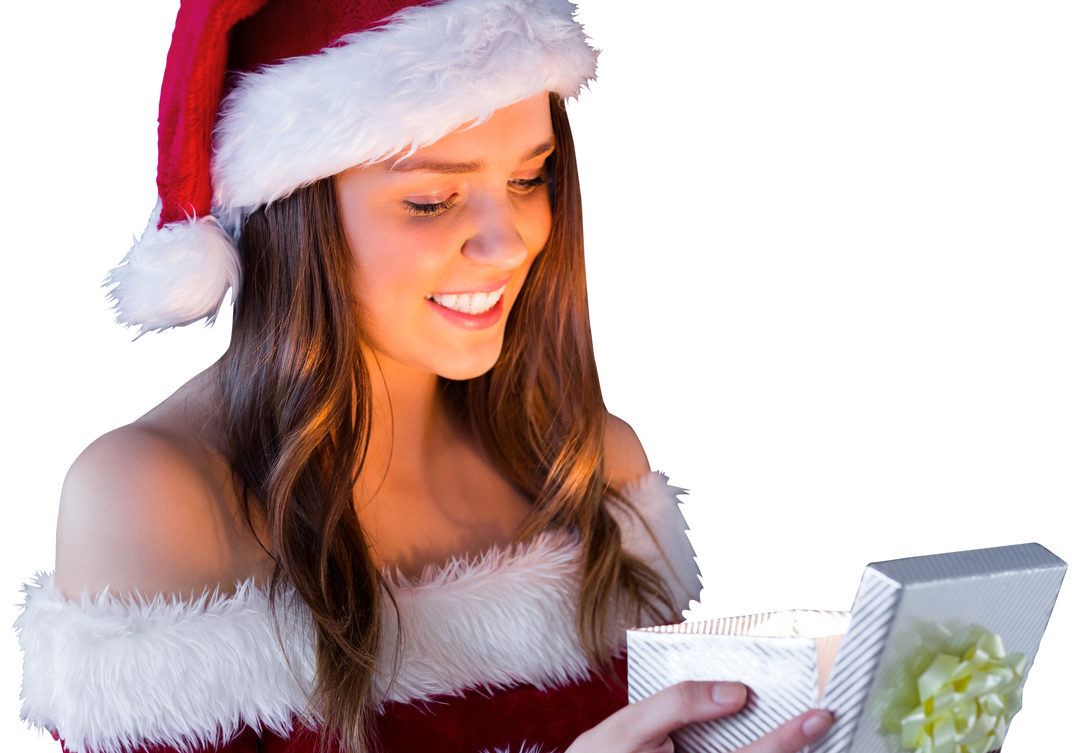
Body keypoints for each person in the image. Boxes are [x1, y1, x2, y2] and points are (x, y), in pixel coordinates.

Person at [12, 1, 835, 752]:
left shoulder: (589, 463)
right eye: (432, 200)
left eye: (527, 177)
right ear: (294, 211)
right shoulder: (153, 497)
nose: (507, 241)